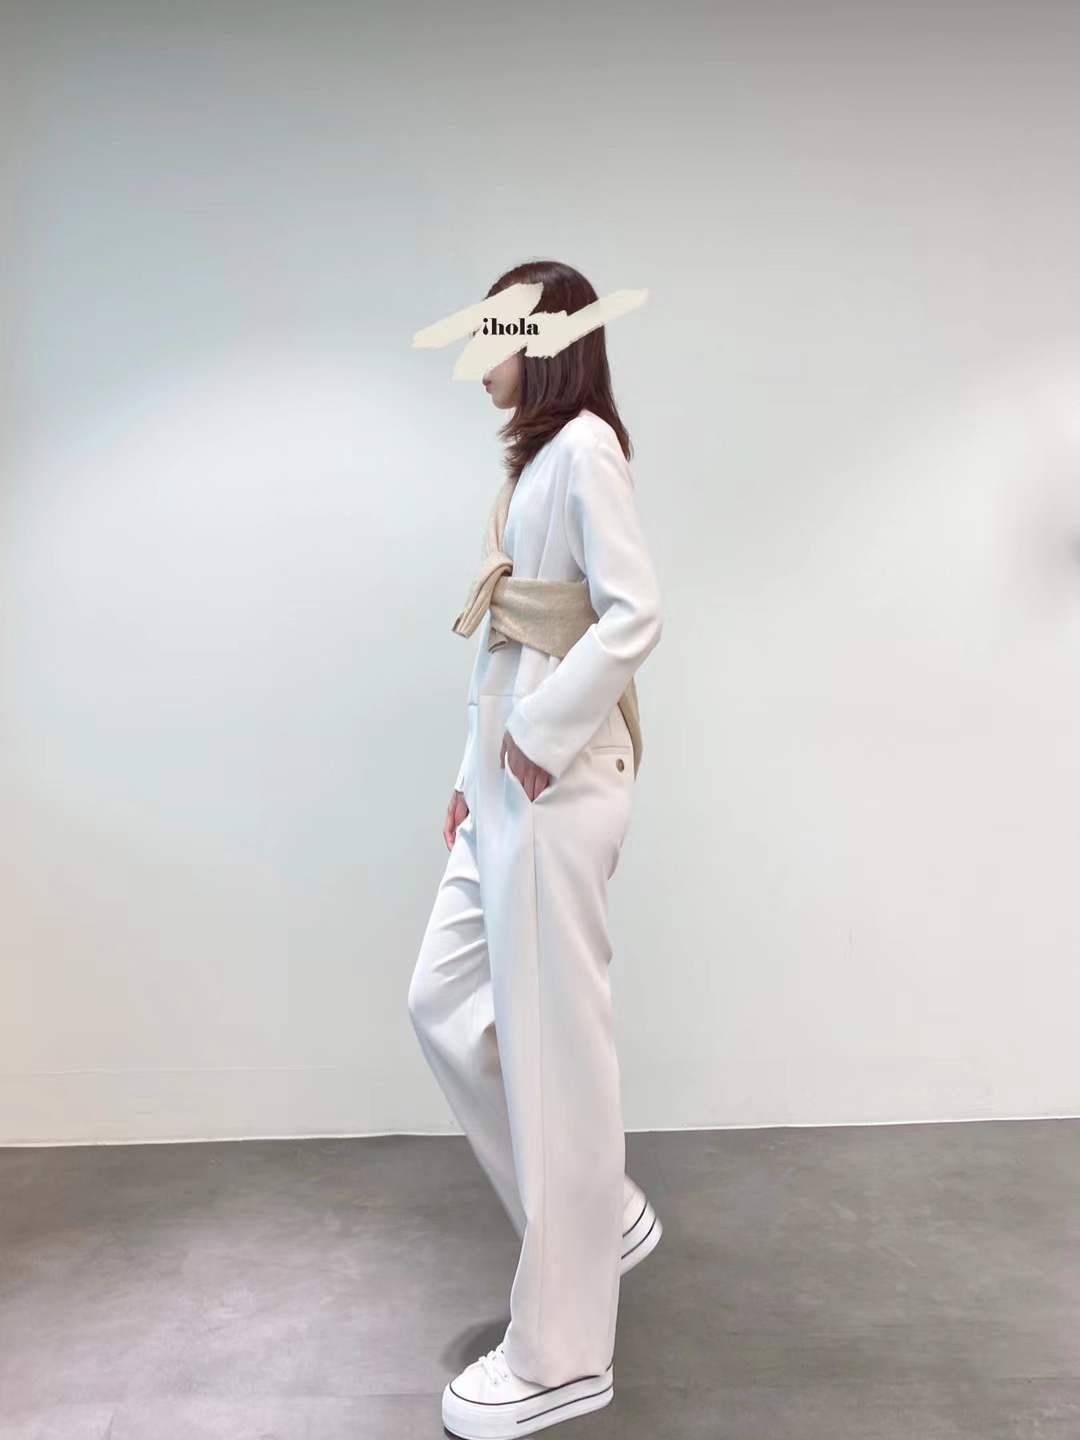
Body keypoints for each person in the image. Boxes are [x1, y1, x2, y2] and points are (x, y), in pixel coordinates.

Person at [408, 258, 664, 1440]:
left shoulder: (586, 451)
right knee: (442, 1001)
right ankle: (596, 1212)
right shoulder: (534, 462)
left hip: (558, 789)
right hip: (509, 790)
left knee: (557, 1058)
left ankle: (562, 1357)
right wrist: (472, 778)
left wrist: (536, 743)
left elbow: (634, 612)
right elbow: (511, 636)